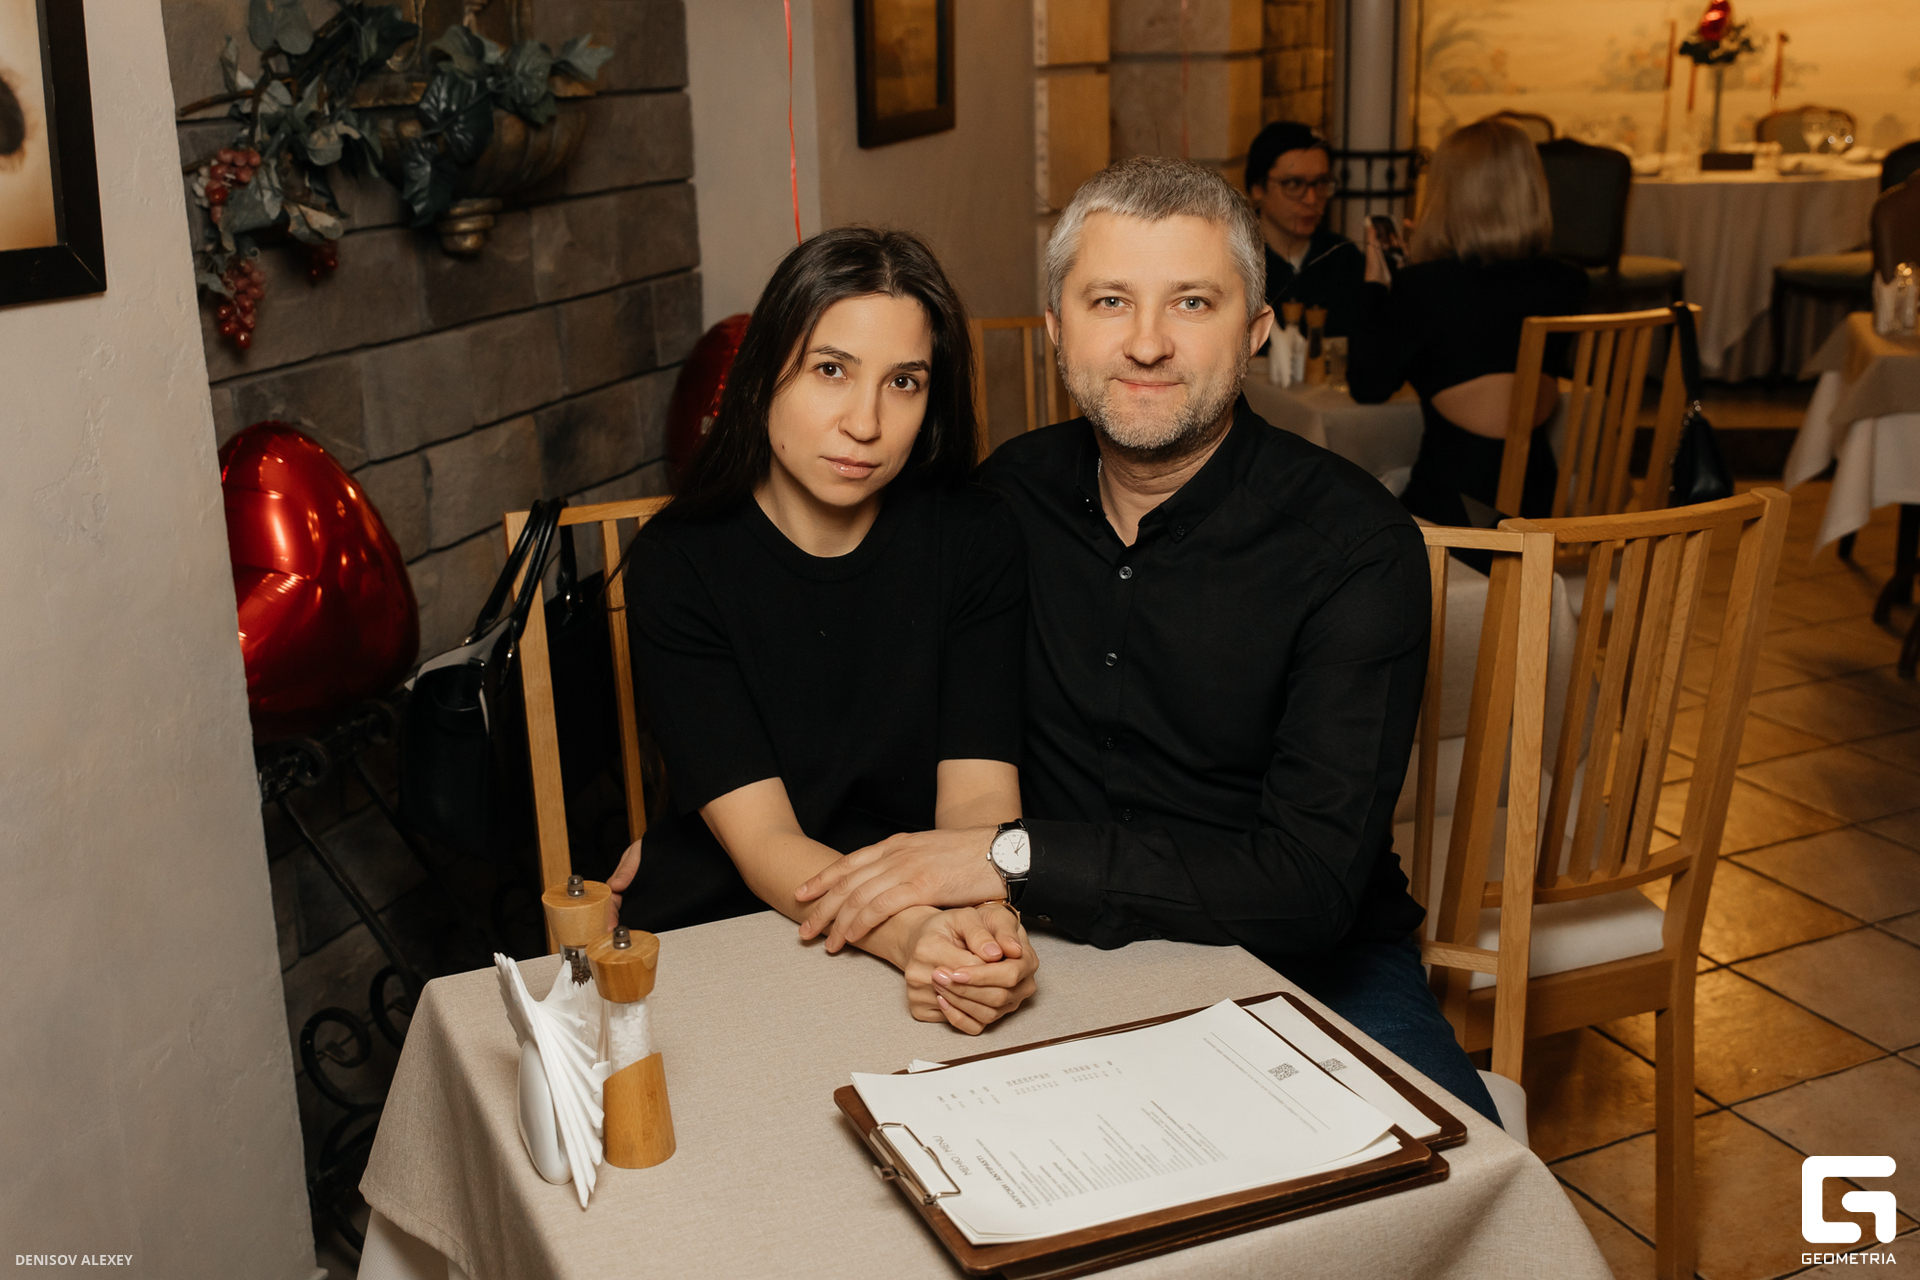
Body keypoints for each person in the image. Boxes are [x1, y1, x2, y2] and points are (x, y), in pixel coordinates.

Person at [794, 158, 1503, 1125]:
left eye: (1193, 303)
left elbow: (1308, 888)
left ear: (1255, 331)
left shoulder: (1354, 548)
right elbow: (871, 703)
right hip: (1043, 944)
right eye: (1111, 301)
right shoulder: (1003, 503)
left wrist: (1011, 855)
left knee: (1457, 1168)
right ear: (1058, 328)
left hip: (1304, 964)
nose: (1147, 342)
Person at [607, 227, 1039, 1035]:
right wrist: (915, 936)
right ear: (763, 373)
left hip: (923, 911)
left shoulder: (975, 538)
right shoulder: (678, 562)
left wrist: (984, 928)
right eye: (831, 370)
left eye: (903, 382)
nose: (865, 422)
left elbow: (980, 793)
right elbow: (765, 839)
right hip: (729, 926)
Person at [1347, 116, 1589, 528]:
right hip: (1539, 505)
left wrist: (1376, 285)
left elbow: (1368, 386)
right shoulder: (1568, 283)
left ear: (1447, 195)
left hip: (1455, 516)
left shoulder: (1424, 288)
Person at [1244, 121, 1364, 337]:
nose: (1311, 199)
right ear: (1258, 188)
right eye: (1293, 184)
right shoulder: (1234, 261)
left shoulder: (1344, 258)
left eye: (1321, 183)